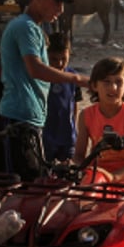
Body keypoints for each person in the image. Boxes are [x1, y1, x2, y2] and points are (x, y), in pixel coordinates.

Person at [0, 0, 88, 181]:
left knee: (37, 182)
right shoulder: (26, 27)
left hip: (30, 118)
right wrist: (78, 80)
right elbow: (36, 69)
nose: (61, 9)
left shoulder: (34, 28)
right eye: (57, 2)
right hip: (19, 118)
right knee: (25, 186)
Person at [74, 56, 124, 186]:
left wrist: (114, 177)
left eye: (119, 82)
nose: (113, 87)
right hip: (98, 171)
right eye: (106, 82)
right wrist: (81, 169)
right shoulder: (86, 115)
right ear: (94, 86)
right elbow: (79, 155)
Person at [42, 32, 82, 163]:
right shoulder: (41, 77)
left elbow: (74, 102)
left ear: (69, 54)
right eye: (53, 59)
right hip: (46, 135)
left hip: (67, 135)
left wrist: (74, 128)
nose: (59, 63)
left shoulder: (72, 77)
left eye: (63, 59)